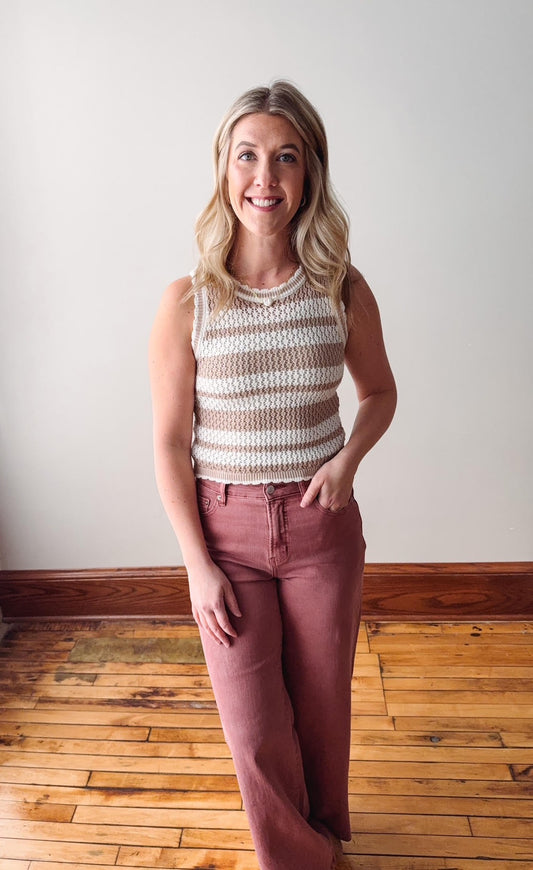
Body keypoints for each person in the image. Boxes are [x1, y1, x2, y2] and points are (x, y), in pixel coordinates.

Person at [149, 80, 396, 870]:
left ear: (309, 174)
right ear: (223, 168)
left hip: (322, 527)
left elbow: (380, 395)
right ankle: (303, 861)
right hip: (225, 533)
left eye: (285, 158)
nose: (266, 175)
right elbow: (165, 443)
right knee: (254, 727)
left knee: (320, 708)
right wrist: (196, 565)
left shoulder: (341, 291)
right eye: (248, 155)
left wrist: (348, 461)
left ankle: (322, 836)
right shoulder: (188, 302)